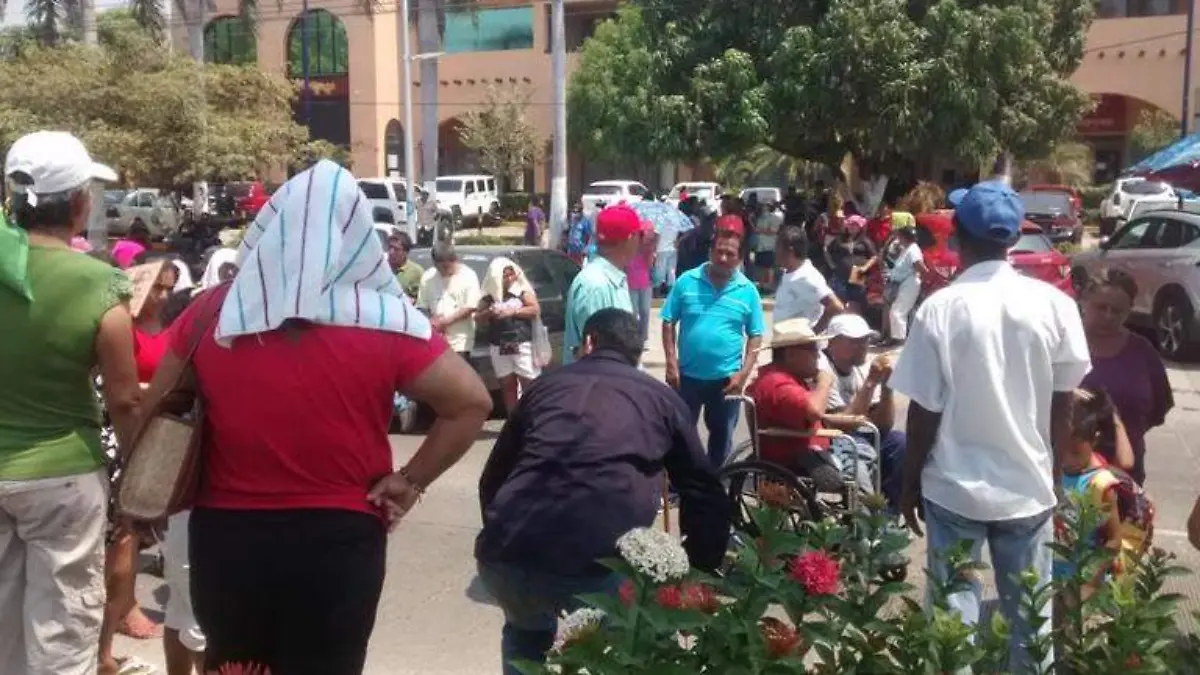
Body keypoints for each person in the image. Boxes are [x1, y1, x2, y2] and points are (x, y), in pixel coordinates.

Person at [140, 160, 493, 675]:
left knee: (235, 666)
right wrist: (410, 480)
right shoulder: (384, 317)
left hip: (228, 536)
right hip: (339, 539)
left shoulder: (215, 310)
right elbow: (471, 404)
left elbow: (158, 403)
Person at [890, 180, 1091, 671]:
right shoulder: (1054, 305)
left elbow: (924, 411)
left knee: (953, 625)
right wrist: (1055, 477)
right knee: (1031, 623)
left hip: (953, 491)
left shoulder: (940, 309)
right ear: (1010, 240)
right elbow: (1062, 405)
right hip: (1026, 489)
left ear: (956, 237)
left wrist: (910, 481)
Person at [476, 308, 729, 675]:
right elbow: (702, 489)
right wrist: (698, 571)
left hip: (507, 556)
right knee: (620, 651)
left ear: (589, 342)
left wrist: (500, 534)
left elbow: (493, 477)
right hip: (596, 564)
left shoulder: (545, 388)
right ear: (637, 353)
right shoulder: (661, 399)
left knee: (525, 636)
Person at [0, 131, 138, 675]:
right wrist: (134, 480)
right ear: (81, 203)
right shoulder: (99, 283)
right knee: (62, 633)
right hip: (63, 479)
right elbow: (125, 400)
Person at [662, 227, 765, 467]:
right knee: (682, 435)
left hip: (727, 379)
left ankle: (715, 485)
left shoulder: (748, 291)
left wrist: (744, 373)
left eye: (730, 254)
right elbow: (668, 321)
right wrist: (670, 362)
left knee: (721, 438)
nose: (723, 258)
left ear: (739, 259)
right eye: (719, 252)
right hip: (686, 377)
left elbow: (756, 335)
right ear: (710, 252)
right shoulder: (686, 281)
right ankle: (684, 486)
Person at [1078, 269, 1172, 485]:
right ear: (1083, 301)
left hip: (1126, 476)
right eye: (1101, 307)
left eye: (1118, 311)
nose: (1109, 316)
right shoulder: (1063, 344)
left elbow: (1159, 408)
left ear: (1130, 310)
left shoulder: (1143, 351)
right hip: (1069, 476)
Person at [1054, 388, 1154, 587]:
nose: (1067, 459)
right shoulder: (1055, 469)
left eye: (1075, 452)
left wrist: (1090, 583)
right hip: (1053, 573)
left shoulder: (1100, 484)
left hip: (1082, 578)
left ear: (1095, 440)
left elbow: (1113, 540)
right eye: (1061, 449)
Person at [819, 313, 906, 510]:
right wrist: (870, 383)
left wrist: (886, 387)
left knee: (901, 443)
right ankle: (868, 515)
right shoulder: (822, 368)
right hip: (834, 438)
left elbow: (883, 425)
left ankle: (890, 512)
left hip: (861, 432)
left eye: (865, 341)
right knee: (858, 449)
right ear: (832, 342)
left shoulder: (862, 366)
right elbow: (842, 423)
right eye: (854, 342)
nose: (862, 346)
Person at [747, 318, 843, 492]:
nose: (818, 355)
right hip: (802, 459)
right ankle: (872, 516)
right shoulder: (777, 383)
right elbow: (814, 411)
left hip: (817, 449)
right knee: (866, 462)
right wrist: (824, 382)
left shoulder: (787, 377)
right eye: (813, 350)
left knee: (892, 444)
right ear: (791, 354)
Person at [562, 205, 640, 364]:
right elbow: (597, 357)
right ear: (631, 238)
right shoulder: (596, 286)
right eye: (640, 234)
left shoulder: (611, 279)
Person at [479, 257, 541, 416]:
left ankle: (532, 417)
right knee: (507, 383)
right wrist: (490, 312)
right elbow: (477, 317)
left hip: (520, 339)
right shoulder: (489, 295)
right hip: (500, 341)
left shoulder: (521, 290)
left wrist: (513, 311)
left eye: (510, 275)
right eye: (504, 276)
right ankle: (513, 421)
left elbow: (534, 309)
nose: (509, 279)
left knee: (528, 381)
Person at [417, 243, 482, 360]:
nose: (443, 271)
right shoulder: (428, 277)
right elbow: (422, 306)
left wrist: (445, 322)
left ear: (454, 260)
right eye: (439, 268)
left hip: (460, 341)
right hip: (435, 339)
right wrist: (432, 322)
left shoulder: (468, 275)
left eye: (447, 267)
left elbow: (471, 306)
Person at [774, 226, 844, 331]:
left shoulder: (807, 276)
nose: (775, 252)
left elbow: (836, 306)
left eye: (778, 247)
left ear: (790, 251)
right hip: (784, 342)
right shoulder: (788, 272)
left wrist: (814, 333)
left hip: (801, 345)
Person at [883, 223, 928, 345]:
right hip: (903, 283)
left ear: (905, 237)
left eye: (900, 236)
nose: (899, 239)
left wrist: (927, 280)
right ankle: (897, 337)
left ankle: (899, 340)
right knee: (897, 310)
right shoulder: (906, 249)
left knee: (898, 311)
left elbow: (920, 267)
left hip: (910, 283)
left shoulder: (913, 250)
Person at [824, 215, 876, 312]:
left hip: (858, 272)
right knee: (839, 299)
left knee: (856, 301)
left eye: (855, 225)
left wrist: (865, 267)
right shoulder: (840, 239)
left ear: (860, 227)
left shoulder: (864, 240)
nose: (852, 227)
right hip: (841, 272)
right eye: (850, 225)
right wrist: (831, 264)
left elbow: (874, 256)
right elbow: (827, 249)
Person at [625, 220, 656, 350]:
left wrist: (650, 252)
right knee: (633, 312)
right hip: (631, 282)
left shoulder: (648, 249)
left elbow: (650, 266)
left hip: (644, 283)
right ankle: (633, 337)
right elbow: (625, 264)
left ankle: (644, 338)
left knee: (645, 311)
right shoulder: (630, 247)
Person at [388, 231, 424, 301]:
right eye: (390, 247)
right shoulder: (383, 268)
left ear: (406, 252)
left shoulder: (417, 272)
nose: (391, 252)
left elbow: (424, 300)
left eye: (396, 249)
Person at [754, 201, 783, 288]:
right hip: (760, 245)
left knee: (769, 267)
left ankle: (769, 285)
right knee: (762, 266)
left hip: (769, 245)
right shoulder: (760, 218)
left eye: (766, 206)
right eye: (763, 206)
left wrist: (762, 230)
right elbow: (757, 230)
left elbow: (773, 231)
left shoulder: (775, 218)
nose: (763, 208)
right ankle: (762, 285)